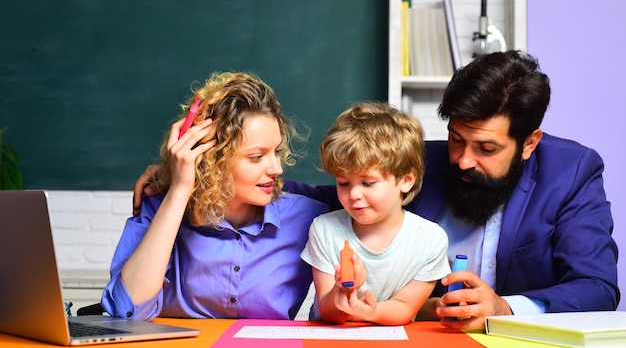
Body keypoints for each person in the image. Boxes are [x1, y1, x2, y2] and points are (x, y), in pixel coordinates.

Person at [133, 51, 619, 331]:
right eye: (456, 140)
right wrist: (193, 175)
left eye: (486, 148)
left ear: (529, 141)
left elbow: (597, 288)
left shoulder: (571, 172)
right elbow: (319, 195)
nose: (464, 160)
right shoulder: (410, 163)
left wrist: (502, 306)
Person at [102, 72, 328, 321]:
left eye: (277, 151)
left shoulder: (308, 213)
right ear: (212, 159)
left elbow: (371, 194)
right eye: (256, 157)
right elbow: (128, 310)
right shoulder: (159, 204)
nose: (277, 168)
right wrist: (178, 190)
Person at [301, 102, 450, 326]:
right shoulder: (324, 229)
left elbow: (405, 307)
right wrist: (340, 293)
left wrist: (368, 311)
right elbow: (326, 310)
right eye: (343, 183)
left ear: (406, 180)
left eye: (368, 183)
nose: (354, 194)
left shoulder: (430, 240)